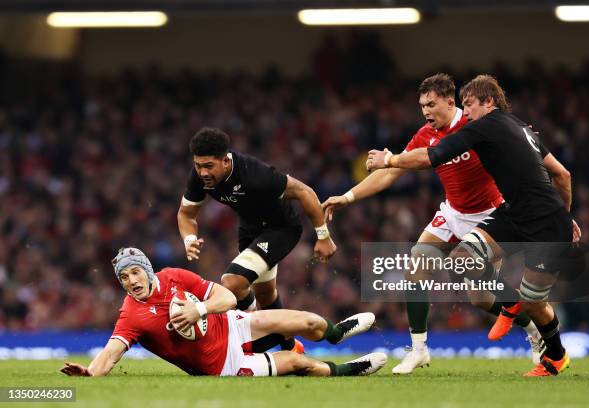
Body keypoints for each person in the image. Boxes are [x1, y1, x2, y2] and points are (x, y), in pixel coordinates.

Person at [322, 73, 543, 374]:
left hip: (490, 217)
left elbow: (512, 138)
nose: (425, 112)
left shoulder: (477, 126)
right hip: (452, 213)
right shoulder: (426, 134)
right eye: (421, 106)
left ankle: (534, 330)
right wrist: (347, 197)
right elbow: (390, 172)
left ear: (450, 102)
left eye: (431, 104)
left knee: (480, 297)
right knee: (416, 264)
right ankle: (418, 350)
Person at [366, 74, 581, 377]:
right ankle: (509, 306)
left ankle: (555, 355)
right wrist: (567, 215)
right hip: (513, 213)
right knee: (462, 259)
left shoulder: (486, 126)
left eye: (469, 106)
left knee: (534, 302)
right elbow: (563, 175)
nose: (464, 113)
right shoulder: (519, 127)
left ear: (489, 102)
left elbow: (433, 156)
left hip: (543, 222)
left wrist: (390, 159)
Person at [60, 248, 386, 378]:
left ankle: (336, 334)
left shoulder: (175, 276)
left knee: (308, 320)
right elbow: (110, 353)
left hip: (233, 325)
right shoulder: (131, 315)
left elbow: (227, 296)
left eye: (134, 273)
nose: (131, 281)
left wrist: (198, 309)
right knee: (299, 363)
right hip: (223, 366)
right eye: (124, 278)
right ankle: (347, 371)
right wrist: (90, 373)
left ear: (146, 270)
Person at [177, 127, 337, 353]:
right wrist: (189, 238)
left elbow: (304, 191)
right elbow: (186, 214)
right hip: (250, 230)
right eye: (198, 165)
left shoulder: (256, 175)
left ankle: (254, 324)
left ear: (225, 161)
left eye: (208, 166)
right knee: (265, 293)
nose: (202, 172)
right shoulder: (200, 177)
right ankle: (290, 347)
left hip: (280, 229)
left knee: (233, 281)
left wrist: (323, 236)